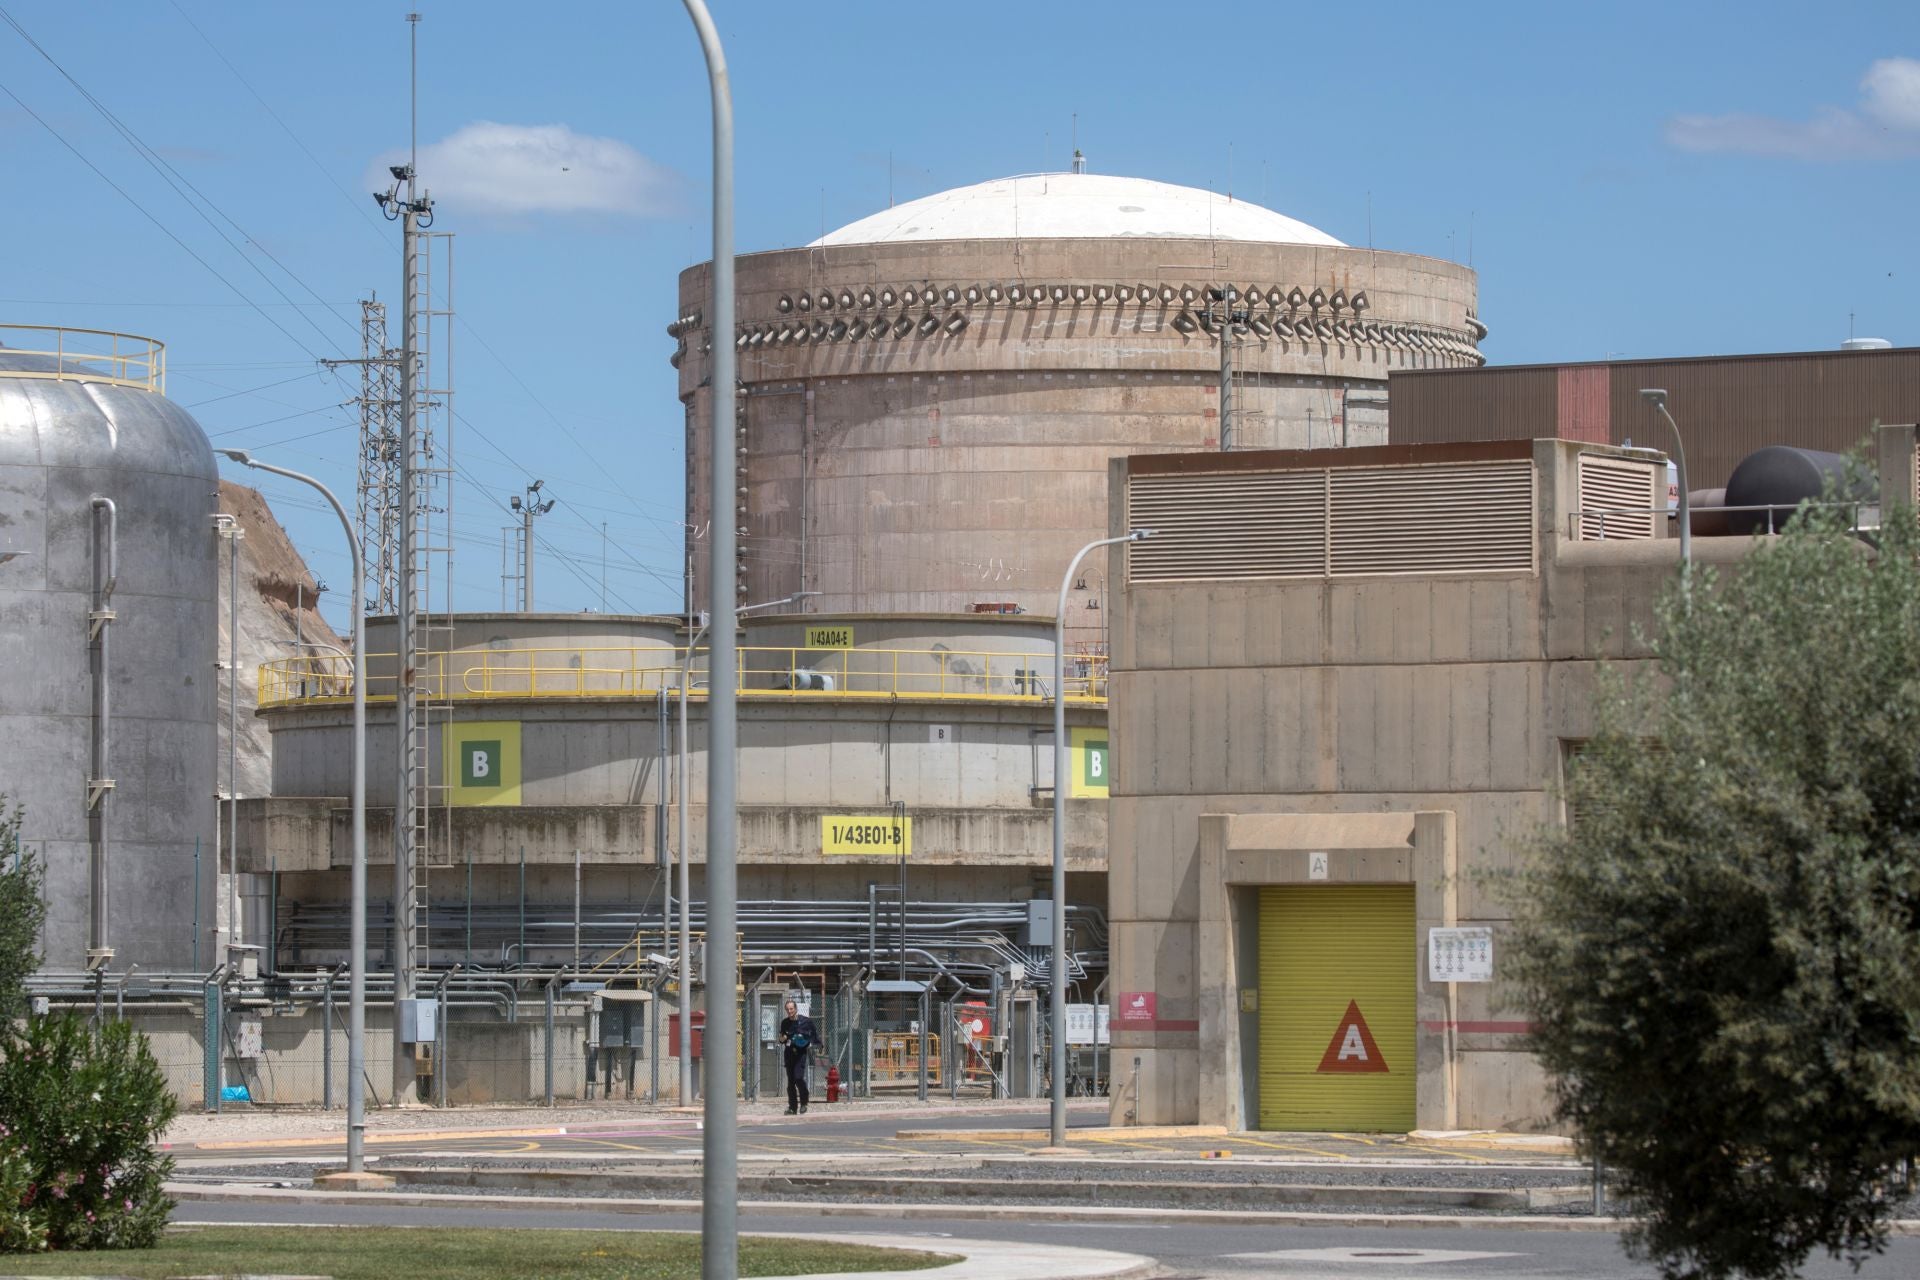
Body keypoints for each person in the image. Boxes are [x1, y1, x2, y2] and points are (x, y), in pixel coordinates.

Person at [778, 998, 818, 1115]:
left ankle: (804, 1102)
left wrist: (812, 1043)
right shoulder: (785, 1022)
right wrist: (782, 1039)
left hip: (800, 1054)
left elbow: (813, 1035)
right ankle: (792, 1107)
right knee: (791, 1082)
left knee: (798, 1078)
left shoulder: (805, 1021)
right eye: (787, 1009)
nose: (789, 1011)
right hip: (789, 1053)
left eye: (791, 1009)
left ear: (795, 1009)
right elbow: (782, 1038)